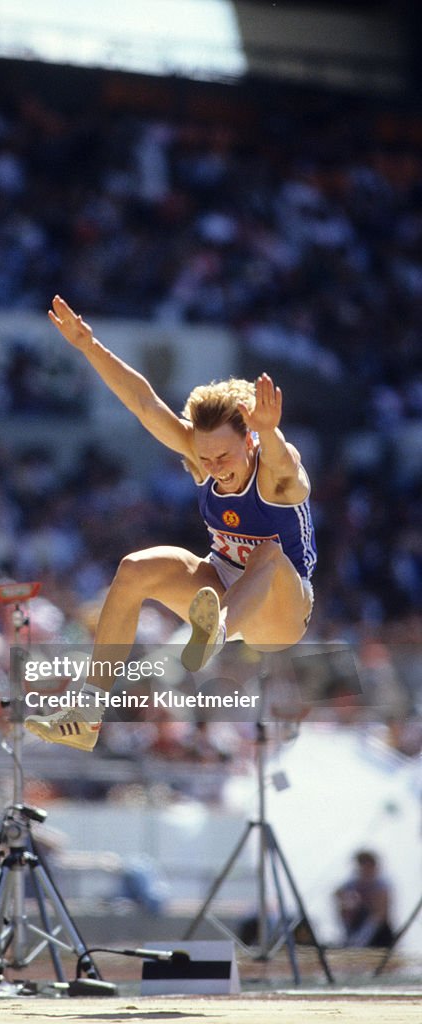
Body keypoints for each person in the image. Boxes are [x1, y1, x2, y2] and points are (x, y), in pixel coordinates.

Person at [25, 295, 316, 752]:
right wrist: (89, 346)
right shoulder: (204, 458)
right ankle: (86, 711)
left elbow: (283, 463)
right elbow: (144, 403)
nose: (213, 466)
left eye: (223, 455)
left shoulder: (277, 472)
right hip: (218, 584)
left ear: (251, 440)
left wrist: (272, 432)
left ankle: (215, 631)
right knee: (135, 568)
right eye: (204, 457)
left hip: (279, 610)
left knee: (269, 553)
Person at [334, 850, 394, 948]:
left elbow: (380, 914)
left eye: (367, 865)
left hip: (379, 934)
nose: (364, 869)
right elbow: (337, 894)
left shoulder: (381, 885)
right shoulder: (353, 882)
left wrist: (363, 936)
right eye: (361, 865)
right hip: (355, 928)